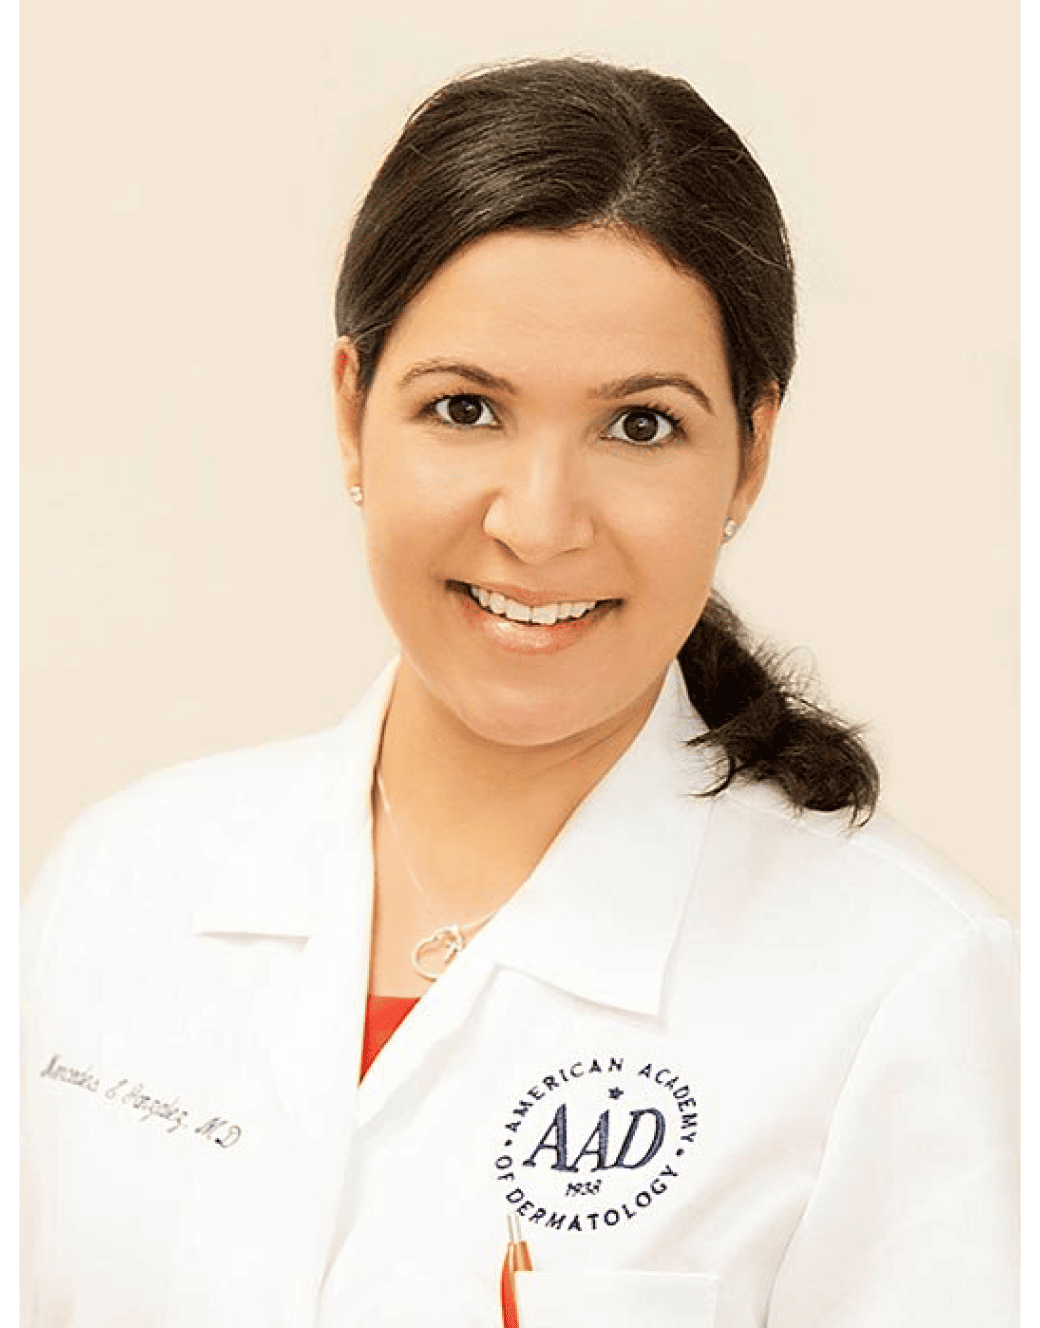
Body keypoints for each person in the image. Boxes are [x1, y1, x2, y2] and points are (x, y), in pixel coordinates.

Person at [20, 58, 1018, 1328]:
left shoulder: (904, 984)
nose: (538, 524)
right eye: (465, 407)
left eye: (639, 426)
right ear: (350, 413)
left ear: (749, 455)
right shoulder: (116, 888)